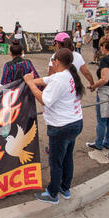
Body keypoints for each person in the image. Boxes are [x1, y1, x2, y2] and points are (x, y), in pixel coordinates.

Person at [23, 48, 84, 204]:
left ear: (56, 61)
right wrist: (30, 80)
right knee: (67, 157)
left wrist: (30, 84)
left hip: (61, 127)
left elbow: (44, 99)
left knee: (56, 161)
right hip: (75, 122)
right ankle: (65, 188)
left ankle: (52, 193)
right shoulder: (68, 74)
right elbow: (45, 80)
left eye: (53, 61)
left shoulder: (59, 79)